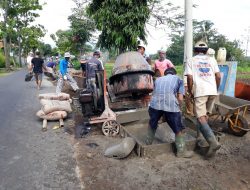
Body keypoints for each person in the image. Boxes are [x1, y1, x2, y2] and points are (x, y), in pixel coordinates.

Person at [184, 41, 221, 158]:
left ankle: (213, 142)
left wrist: (190, 91)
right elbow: (218, 76)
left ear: (195, 50)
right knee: (204, 116)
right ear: (206, 50)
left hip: (200, 91)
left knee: (200, 117)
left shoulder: (191, 60)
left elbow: (189, 77)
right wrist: (215, 88)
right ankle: (200, 137)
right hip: (212, 91)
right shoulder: (212, 60)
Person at [146, 67, 193, 158]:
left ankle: (148, 144)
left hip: (155, 104)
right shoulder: (179, 79)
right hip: (170, 104)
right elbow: (180, 98)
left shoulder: (158, 79)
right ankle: (181, 152)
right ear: (174, 74)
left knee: (152, 123)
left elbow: (155, 93)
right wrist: (179, 108)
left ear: (165, 73)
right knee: (178, 129)